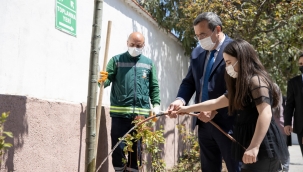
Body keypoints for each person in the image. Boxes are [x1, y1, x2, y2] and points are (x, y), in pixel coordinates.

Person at [174, 39, 289, 172]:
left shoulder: (256, 81)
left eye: (229, 62)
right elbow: (216, 103)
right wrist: (185, 109)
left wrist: (254, 147)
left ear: (242, 59)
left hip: (262, 148)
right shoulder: (242, 84)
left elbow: (266, 113)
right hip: (248, 145)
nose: (227, 67)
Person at [167, 12, 241, 172]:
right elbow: (189, 82)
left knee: (236, 168)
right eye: (197, 35)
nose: (200, 39)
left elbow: (237, 90)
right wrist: (180, 99)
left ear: (218, 29)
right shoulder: (197, 53)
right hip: (204, 124)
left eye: (203, 34)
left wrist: (214, 109)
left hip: (229, 123)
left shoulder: (235, 50)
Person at [98, 32, 160, 172]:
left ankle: (133, 170)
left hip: (141, 116)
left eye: (138, 45)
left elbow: (154, 86)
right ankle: (119, 170)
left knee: (136, 150)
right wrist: (102, 79)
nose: (135, 47)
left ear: (143, 45)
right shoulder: (116, 60)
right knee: (118, 147)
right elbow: (106, 80)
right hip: (120, 114)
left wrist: (156, 105)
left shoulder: (148, 64)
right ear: (127, 43)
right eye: (132, 44)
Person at [284, 52, 303, 157]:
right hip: (301, 128)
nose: (302, 66)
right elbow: (290, 104)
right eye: (300, 64)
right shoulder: (293, 83)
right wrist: (287, 123)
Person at [272, 83, 290, 172]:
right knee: (275, 150)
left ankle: (285, 168)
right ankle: (278, 169)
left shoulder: (283, 102)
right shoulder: (270, 103)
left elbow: (289, 114)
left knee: (283, 150)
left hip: (282, 129)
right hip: (273, 130)